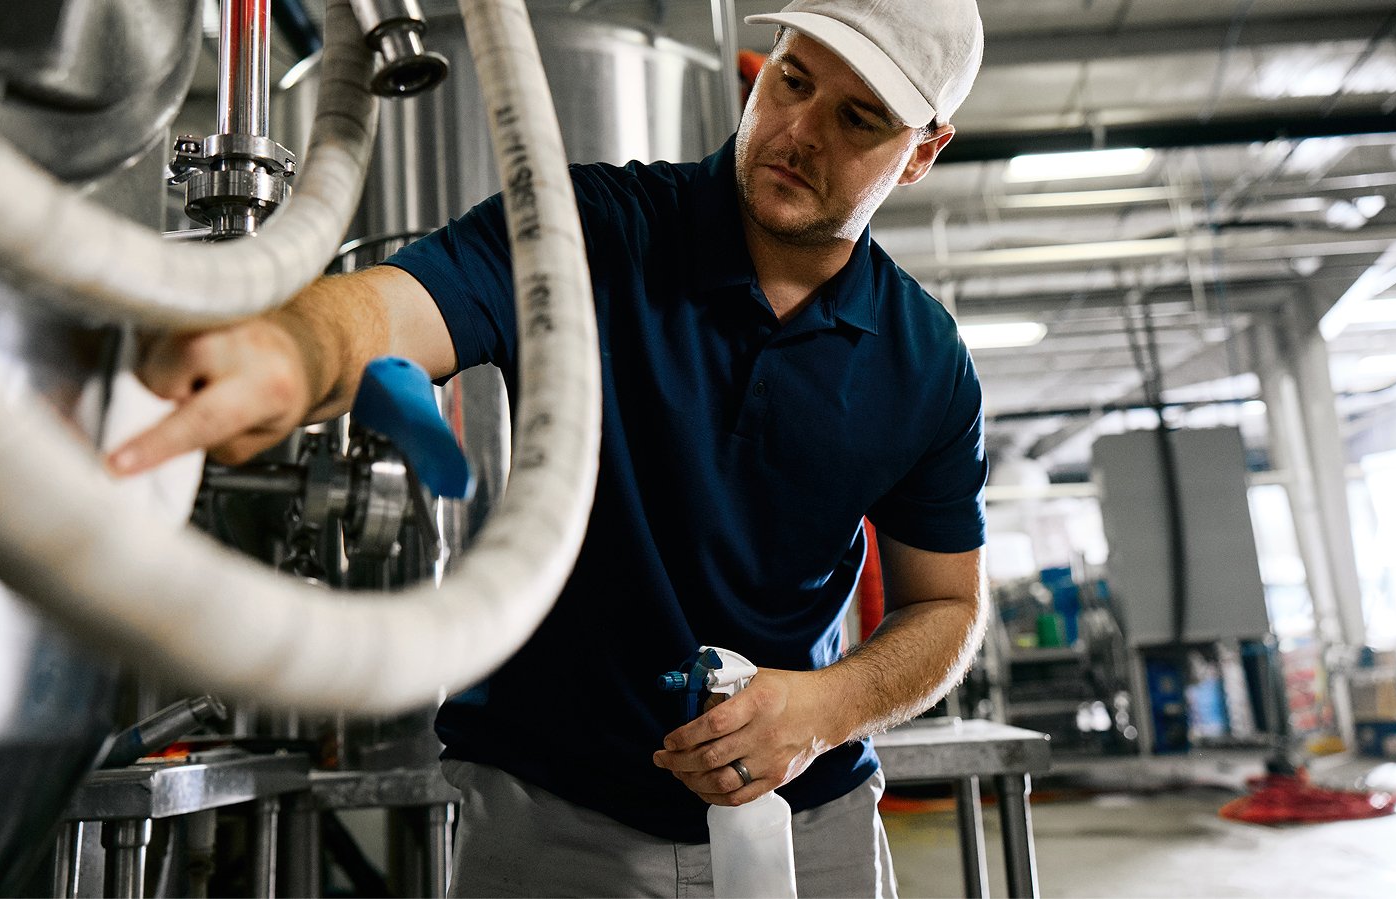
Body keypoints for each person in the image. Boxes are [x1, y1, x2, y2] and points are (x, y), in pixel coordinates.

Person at [111, 0, 990, 895]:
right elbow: (396, 307)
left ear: (922, 151)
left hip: (809, 820)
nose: (799, 130)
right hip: (556, 819)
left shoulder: (924, 364)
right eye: (793, 80)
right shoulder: (593, 229)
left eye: (857, 118)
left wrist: (823, 709)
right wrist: (288, 350)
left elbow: (948, 605)